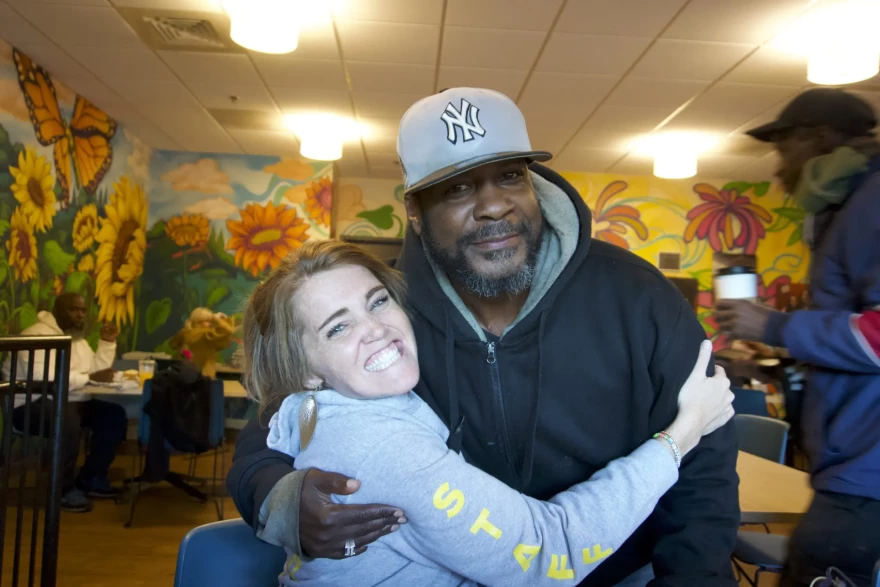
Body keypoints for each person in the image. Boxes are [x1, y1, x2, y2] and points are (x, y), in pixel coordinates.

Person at [228, 88, 741, 586]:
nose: (494, 206)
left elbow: (706, 455)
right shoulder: (386, 315)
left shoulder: (635, 294)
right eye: (457, 188)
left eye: (510, 177)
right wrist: (279, 496)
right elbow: (283, 420)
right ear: (414, 210)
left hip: (619, 569)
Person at [244, 240, 734, 586]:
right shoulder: (379, 446)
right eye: (337, 328)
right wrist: (682, 433)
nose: (375, 329)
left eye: (378, 303)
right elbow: (547, 556)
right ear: (302, 369)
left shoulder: (323, 407)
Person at [718, 88, 880, 587]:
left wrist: (774, 326)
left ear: (821, 139)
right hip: (849, 471)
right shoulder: (849, 208)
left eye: (784, 150)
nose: (778, 170)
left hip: (865, 480)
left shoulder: (873, 203)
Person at [2, 293, 128, 513]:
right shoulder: (37, 336)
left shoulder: (76, 339)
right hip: (30, 403)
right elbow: (46, 379)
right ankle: (62, 490)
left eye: (82, 310)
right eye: (73, 310)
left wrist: (107, 343)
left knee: (114, 416)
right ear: (57, 310)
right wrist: (88, 378)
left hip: (69, 399)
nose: (79, 315)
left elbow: (94, 370)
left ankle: (91, 477)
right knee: (67, 421)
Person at [169, 307, 236, 378]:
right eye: (207, 321)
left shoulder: (184, 332)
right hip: (203, 376)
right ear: (199, 321)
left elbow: (172, 344)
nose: (210, 324)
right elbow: (227, 330)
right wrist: (216, 318)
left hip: (183, 374)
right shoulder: (205, 334)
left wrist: (184, 352)